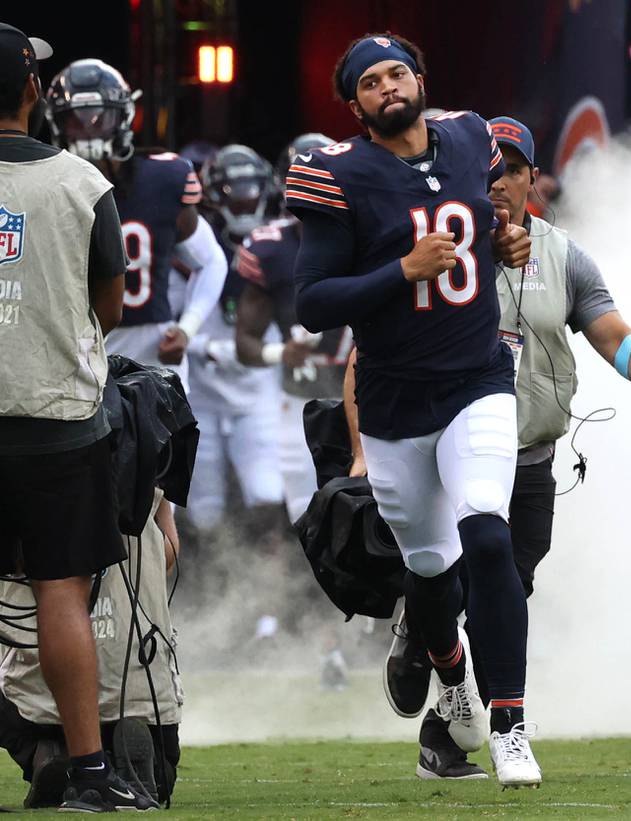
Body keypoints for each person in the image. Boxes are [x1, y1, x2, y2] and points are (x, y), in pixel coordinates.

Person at [381, 115, 631, 780]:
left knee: (506, 589)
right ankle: (498, 715)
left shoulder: (563, 254)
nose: (498, 182)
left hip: (531, 458)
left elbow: (606, 325)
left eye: (511, 169)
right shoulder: (440, 246)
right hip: (456, 451)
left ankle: (444, 731)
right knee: (479, 572)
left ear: (532, 178)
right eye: (486, 170)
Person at [287, 33, 539, 787]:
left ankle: (509, 724)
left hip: (477, 380)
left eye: (397, 72)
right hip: (395, 405)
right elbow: (312, 301)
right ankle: (451, 676)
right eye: (371, 82)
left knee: (489, 535)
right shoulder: (338, 174)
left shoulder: (468, 138)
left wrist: (507, 240)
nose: (388, 86)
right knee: (430, 571)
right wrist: (401, 269)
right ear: (355, 105)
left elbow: (485, 225)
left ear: (421, 79)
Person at [0, 24, 156, 811]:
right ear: (33, 90)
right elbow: (109, 304)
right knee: (61, 591)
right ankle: (92, 772)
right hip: (57, 416)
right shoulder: (83, 185)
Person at [45, 58, 227, 387]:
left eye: (101, 118)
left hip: (150, 346)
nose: (89, 129)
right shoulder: (42, 182)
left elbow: (212, 261)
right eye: (76, 119)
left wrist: (188, 327)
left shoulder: (162, 177)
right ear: (56, 121)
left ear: (124, 116)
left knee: (164, 437)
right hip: (70, 345)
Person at [0, 489, 182, 808]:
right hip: (138, 674)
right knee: (160, 761)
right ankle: (144, 751)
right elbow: (169, 551)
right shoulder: (149, 443)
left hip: (37, 681)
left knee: (23, 699)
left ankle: (48, 751)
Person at [235, 132, 354, 525]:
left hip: (366, 399)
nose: (313, 192)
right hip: (299, 404)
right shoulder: (270, 249)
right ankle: (301, 587)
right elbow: (245, 344)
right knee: (305, 514)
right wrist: (281, 353)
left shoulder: (370, 236)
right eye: (303, 180)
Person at [173, 144, 284, 536]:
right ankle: (207, 580)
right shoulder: (189, 248)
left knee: (268, 490)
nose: (244, 201)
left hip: (257, 386)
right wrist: (206, 347)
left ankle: (271, 579)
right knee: (202, 502)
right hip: (202, 387)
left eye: (251, 190)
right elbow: (167, 320)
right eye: (233, 193)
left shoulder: (283, 243)